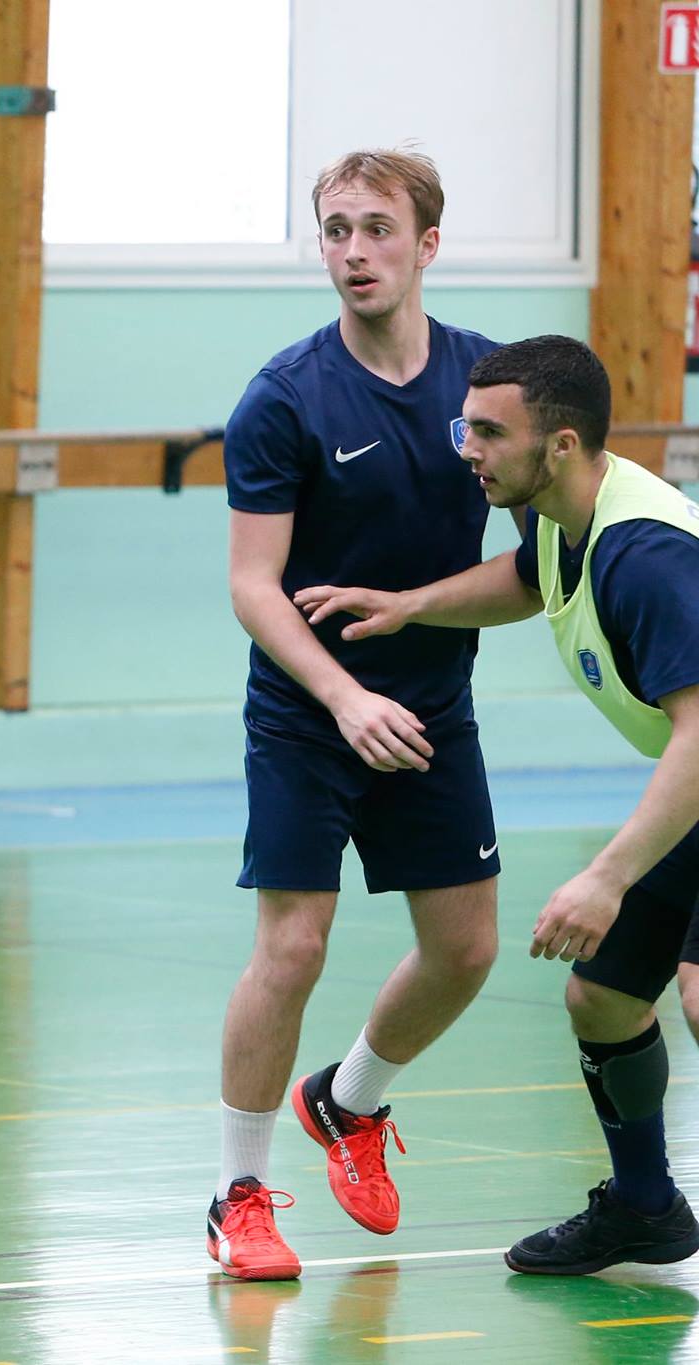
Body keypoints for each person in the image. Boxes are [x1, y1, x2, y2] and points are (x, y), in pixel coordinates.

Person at [296, 334, 699, 1275]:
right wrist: (409, 604)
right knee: (603, 997)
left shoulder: (645, 557)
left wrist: (608, 875)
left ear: (558, 443)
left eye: (487, 431)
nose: (466, 447)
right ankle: (643, 1205)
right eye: (465, 424)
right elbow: (527, 579)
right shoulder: (566, 516)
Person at [212, 149, 506, 1279]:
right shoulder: (283, 397)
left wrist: (416, 616)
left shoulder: (487, 388)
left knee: (466, 948)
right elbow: (252, 584)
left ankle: (346, 1101)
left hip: (432, 704)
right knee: (291, 944)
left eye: (375, 229)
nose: (352, 252)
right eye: (333, 230)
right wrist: (340, 695)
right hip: (307, 712)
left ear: (425, 245)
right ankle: (237, 1195)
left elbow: (531, 562)